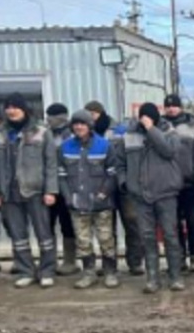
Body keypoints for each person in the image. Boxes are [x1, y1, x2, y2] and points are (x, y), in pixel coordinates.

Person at [118, 103, 184, 293]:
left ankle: (175, 277)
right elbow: (120, 163)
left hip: (166, 193)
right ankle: (153, 279)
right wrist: (125, 182)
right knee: (147, 238)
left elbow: (169, 151)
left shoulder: (169, 132)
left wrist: (151, 129)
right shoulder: (129, 136)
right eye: (142, 117)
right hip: (140, 195)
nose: (144, 119)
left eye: (148, 116)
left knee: (171, 236)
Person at [0, 93, 59, 288]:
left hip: (36, 190)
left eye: (15, 106)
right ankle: (26, 271)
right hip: (9, 192)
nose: (11, 110)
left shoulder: (41, 131)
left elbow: (51, 163)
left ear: (24, 109)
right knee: (18, 236)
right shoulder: (1, 133)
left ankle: (47, 270)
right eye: (8, 107)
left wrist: (51, 190)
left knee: (44, 234)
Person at [58, 110, 120, 289]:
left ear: (89, 126)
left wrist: (103, 194)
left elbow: (112, 173)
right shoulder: (65, 147)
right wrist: (68, 197)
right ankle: (89, 273)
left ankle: (110, 272)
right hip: (77, 203)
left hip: (102, 203)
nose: (78, 127)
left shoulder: (104, 145)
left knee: (106, 239)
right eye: (75, 124)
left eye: (82, 124)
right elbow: (61, 176)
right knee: (83, 240)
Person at [86, 100, 143, 275]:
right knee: (106, 228)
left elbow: (127, 156)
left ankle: (135, 262)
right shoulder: (88, 135)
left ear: (100, 113)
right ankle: (109, 264)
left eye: (93, 114)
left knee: (132, 223)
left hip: (123, 185)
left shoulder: (118, 130)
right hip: (102, 186)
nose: (91, 118)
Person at [162, 94, 194, 273]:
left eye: (175, 106)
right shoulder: (160, 126)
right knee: (174, 224)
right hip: (169, 184)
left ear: (181, 107)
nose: (171, 109)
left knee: (193, 222)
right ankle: (180, 258)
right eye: (168, 106)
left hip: (190, 183)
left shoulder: (193, 127)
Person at [45, 103, 80, 276]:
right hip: (49, 187)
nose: (49, 120)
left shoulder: (73, 134)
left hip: (68, 186)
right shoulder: (45, 134)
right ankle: (49, 260)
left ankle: (69, 260)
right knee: (47, 223)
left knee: (67, 224)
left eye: (53, 116)